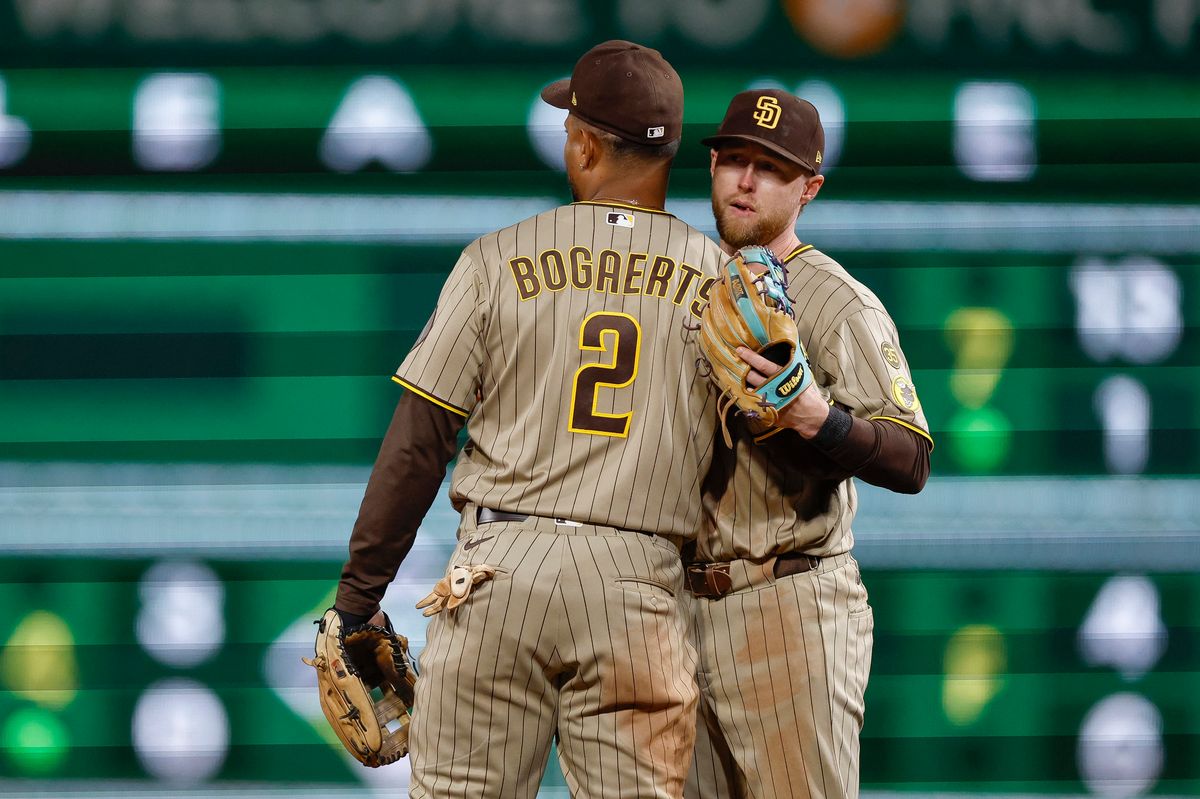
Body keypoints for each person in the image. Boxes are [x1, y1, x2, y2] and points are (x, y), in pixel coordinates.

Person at [331, 41, 730, 799]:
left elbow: (419, 445)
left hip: (498, 569)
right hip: (638, 582)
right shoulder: (722, 283)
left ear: (583, 143)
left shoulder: (496, 260)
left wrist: (358, 598)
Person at [683, 89, 933, 799]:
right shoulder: (687, 281)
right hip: (679, 608)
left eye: (771, 167)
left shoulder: (836, 299)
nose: (746, 180)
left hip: (786, 605)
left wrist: (818, 417)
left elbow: (912, 458)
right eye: (734, 159)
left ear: (809, 188)